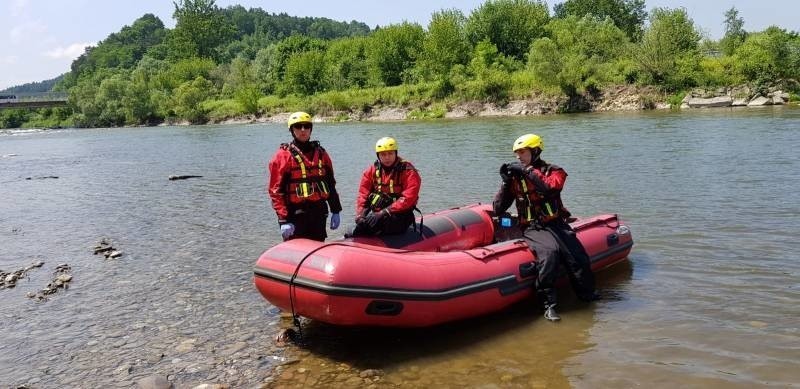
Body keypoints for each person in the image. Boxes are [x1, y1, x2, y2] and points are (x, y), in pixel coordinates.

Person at [493, 133, 600, 322]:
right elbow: (498, 208)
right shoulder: (517, 177)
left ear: (535, 151)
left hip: (556, 223)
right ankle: (548, 305)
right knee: (549, 254)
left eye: (522, 152)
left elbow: (549, 188)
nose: (518, 156)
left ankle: (587, 295)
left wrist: (527, 170)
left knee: (577, 256)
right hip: (533, 227)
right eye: (516, 153)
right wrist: (505, 182)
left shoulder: (555, 171)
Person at [267, 111, 342, 241]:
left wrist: (335, 210)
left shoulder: (322, 154)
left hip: (318, 213)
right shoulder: (282, 156)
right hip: (295, 215)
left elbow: (330, 184)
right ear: (291, 130)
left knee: (317, 251)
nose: (303, 130)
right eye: (298, 126)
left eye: (306, 126)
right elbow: (276, 192)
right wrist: (283, 220)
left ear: (310, 129)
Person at [351, 137, 421, 236]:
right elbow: (363, 195)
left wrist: (384, 212)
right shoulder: (371, 171)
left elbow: (408, 198)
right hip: (379, 214)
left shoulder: (408, 171)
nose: (387, 157)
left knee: (379, 227)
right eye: (383, 154)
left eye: (390, 153)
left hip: (401, 215)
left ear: (396, 153)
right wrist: (360, 215)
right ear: (378, 156)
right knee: (359, 228)